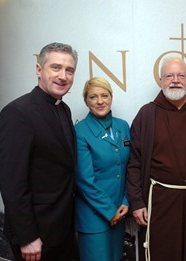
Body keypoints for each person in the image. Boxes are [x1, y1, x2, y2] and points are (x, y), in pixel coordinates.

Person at [0, 42, 78, 261]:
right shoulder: (17, 113)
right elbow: (12, 183)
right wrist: (28, 236)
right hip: (36, 237)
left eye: (69, 70)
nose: (63, 76)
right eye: (56, 67)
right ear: (39, 70)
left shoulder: (63, 108)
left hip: (62, 230)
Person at [126, 56, 186, 261]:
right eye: (169, 76)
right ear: (160, 80)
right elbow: (134, 162)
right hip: (159, 201)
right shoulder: (147, 114)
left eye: (181, 75)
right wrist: (137, 202)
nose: (175, 80)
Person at [74, 77, 130, 261]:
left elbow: (131, 168)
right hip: (94, 218)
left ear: (111, 97)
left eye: (104, 95)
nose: (100, 101)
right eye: (93, 97)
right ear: (86, 101)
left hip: (119, 214)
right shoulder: (80, 131)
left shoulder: (123, 126)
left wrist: (126, 201)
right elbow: (84, 181)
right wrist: (109, 211)